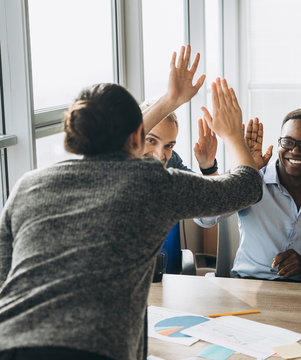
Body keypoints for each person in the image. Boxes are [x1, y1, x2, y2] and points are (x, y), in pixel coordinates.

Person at [0, 45, 263, 360]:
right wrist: (233, 135)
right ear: (138, 138)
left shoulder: (28, 185)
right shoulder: (149, 182)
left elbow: (5, 277)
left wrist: (169, 100)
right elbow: (247, 187)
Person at [195, 109, 301, 285]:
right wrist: (243, 170)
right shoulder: (254, 179)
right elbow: (204, 220)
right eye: (288, 142)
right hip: (250, 283)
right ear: (279, 143)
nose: (295, 150)